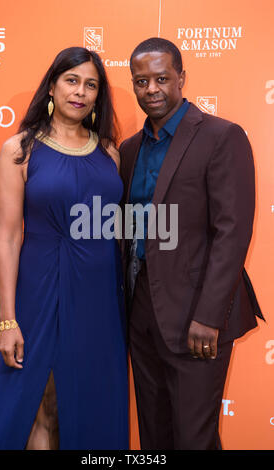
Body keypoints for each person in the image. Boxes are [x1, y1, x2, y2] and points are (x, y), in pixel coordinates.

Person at [0, 47, 128, 450]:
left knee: (86, 401)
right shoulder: (19, 150)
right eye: (72, 80)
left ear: (98, 96)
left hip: (99, 296)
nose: (80, 92)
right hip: (41, 289)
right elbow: (7, 238)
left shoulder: (109, 153)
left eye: (90, 85)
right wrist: (7, 321)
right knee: (42, 401)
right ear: (53, 86)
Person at [119, 37, 264, 450]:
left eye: (162, 78)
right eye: (141, 81)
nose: (152, 89)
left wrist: (210, 317)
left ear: (181, 78)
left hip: (198, 316)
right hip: (142, 313)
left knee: (193, 438)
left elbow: (232, 232)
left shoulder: (221, 136)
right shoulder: (130, 149)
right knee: (154, 435)